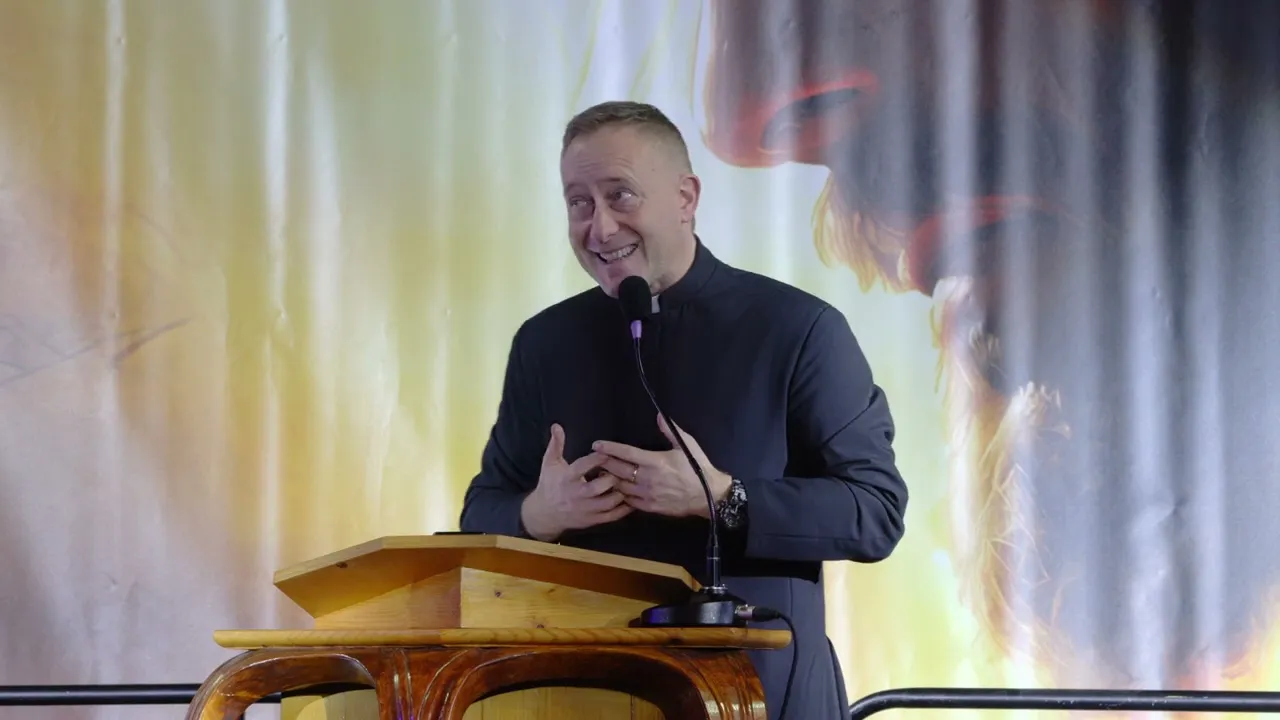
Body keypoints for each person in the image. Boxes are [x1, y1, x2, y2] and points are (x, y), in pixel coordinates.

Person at [458, 100, 909, 720]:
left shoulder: (798, 329)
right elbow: (481, 511)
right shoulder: (545, 343)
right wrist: (537, 514)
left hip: (760, 691)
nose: (600, 227)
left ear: (685, 198)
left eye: (620, 195)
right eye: (579, 203)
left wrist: (723, 498)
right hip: (582, 691)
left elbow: (875, 512)